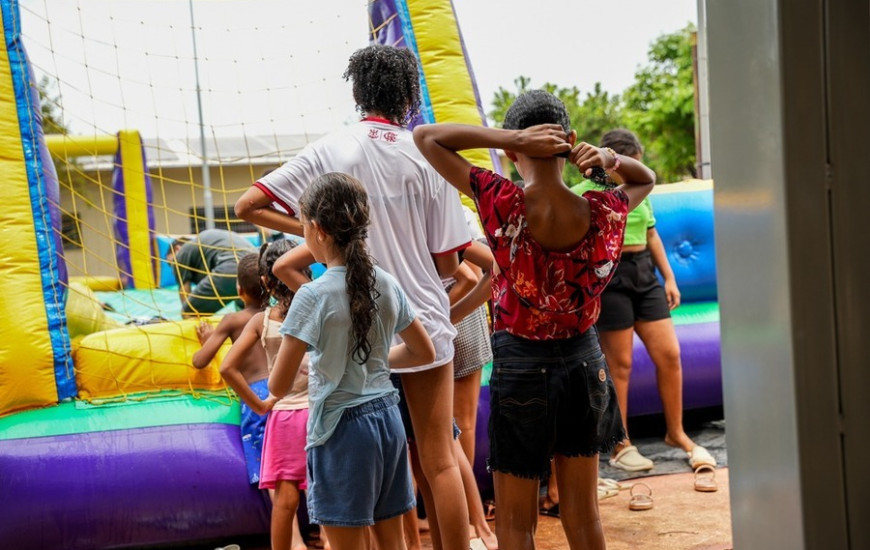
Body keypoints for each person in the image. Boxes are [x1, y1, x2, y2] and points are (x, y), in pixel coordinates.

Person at [235, 44, 474, 550]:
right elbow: (450, 265)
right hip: (421, 320)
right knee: (440, 461)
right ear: (409, 96)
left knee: (359, 469)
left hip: (355, 327)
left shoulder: (332, 148)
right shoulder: (428, 155)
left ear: (356, 90)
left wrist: (319, 237)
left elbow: (248, 204)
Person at [413, 89, 656, 550]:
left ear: (510, 149)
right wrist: (606, 159)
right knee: (585, 519)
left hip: (521, 365)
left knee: (516, 524)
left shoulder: (502, 200)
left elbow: (426, 137)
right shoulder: (603, 209)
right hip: (586, 362)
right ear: (571, 139)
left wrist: (510, 136)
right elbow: (645, 179)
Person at [268, 173, 436, 550]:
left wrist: (340, 361)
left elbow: (278, 386)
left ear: (317, 230)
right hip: (388, 421)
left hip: (342, 430)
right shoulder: (387, 282)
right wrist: (373, 359)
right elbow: (423, 352)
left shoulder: (312, 295)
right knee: (393, 544)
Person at [571, 128, 715, 474]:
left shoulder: (641, 189)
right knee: (619, 365)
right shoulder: (582, 193)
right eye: (632, 163)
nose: (638, 169)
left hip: (644, 274)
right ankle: (621, 442)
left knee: (670, 355)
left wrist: (670, 278)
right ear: (612, 161)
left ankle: (676, 432)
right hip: (611, 277)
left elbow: (652, 235)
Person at [220, 240, 311, 550]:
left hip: (284, 414)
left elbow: (227, 367)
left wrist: (259, 406)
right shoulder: (318, 310)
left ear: (264, 282)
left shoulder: (263, 321)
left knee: (285, 502)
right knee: (331, 496)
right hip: (321, 412)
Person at [191, 252, 272, 487]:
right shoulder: (276, 314)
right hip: (283, 387)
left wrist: (207, 341)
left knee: (267, 466)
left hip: (255, 393)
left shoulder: (232, 320)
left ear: (239, 290)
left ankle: (287, 524)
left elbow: (200, 361)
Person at [169, 229, 256, 317]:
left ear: (177, 249)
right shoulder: (207, 243)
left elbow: (185, 294)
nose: (173, 270)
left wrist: (187, 311)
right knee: (247, 312)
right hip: (256, 267)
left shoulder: (182, 253)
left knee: (189, 312)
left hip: (231, 268)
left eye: (170, 263)